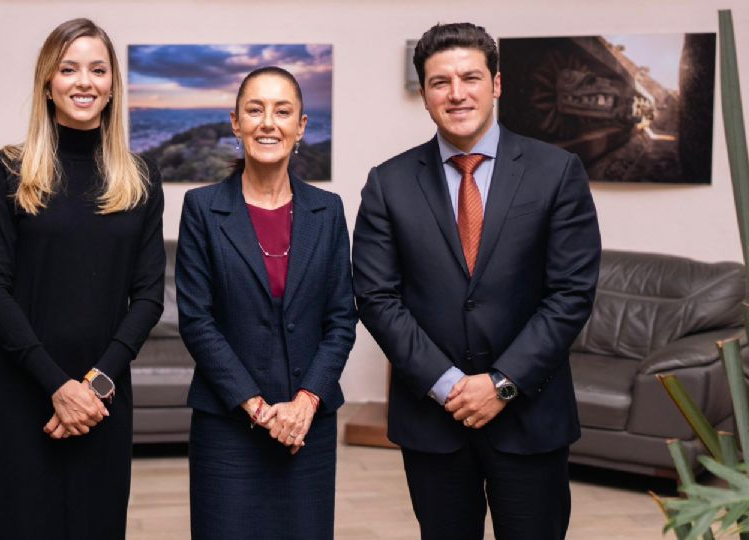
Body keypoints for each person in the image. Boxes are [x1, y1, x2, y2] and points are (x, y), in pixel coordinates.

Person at [352, 22, 601, 540]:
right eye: (440, 82)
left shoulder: (556, 172)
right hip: (433, 423)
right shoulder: (388, 183)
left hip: (531, 418)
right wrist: (448, 386)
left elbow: (570, 293)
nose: (457, 93)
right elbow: (377, 297)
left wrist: (502, 383)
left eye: (470, 77)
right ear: (424, 94)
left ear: (497, 84)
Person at [0, 18, 164, 540]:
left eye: (98, 70)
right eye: (69, 68)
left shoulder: (141, 177)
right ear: (48, 83)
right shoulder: (10, 171)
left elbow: (148, 297)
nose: (84, 82)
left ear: (112, 85)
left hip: (103, 400)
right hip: (24, 396)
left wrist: (93, 387)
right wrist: (57, 386)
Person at [176, 66, 356, 539]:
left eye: (283, 111)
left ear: (301, 127)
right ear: (236, 123)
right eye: (254, 110)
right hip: (228, 426)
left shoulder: (328, 211)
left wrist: (304, 404)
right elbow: (197, 321)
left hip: (308, 427)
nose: (268, 123)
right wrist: (258, 409)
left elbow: (341, 320)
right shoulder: (201, 208)